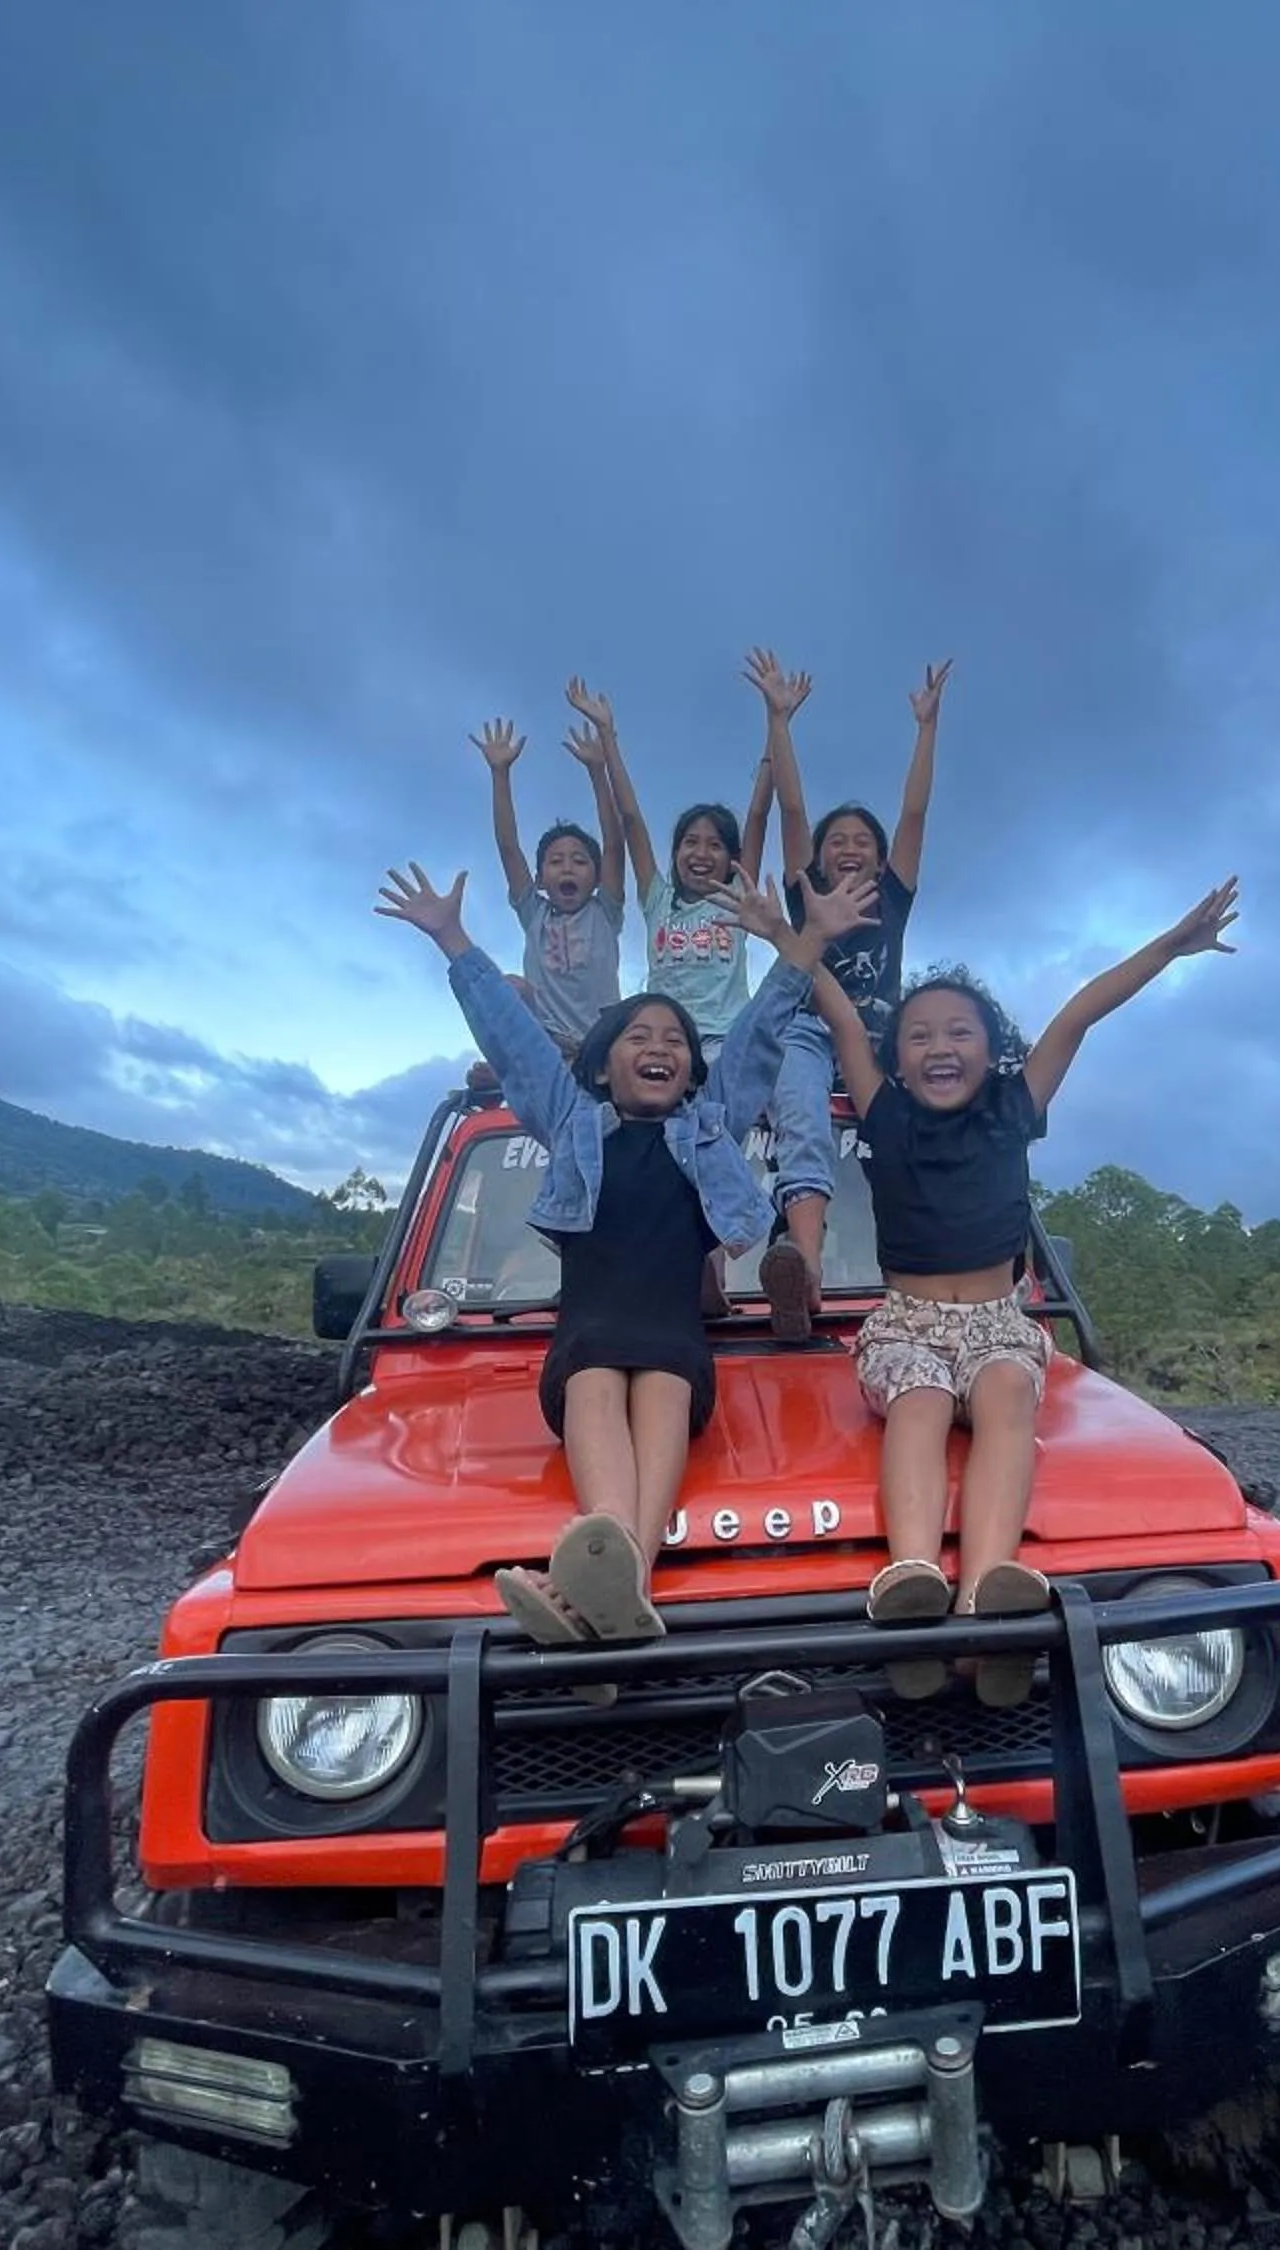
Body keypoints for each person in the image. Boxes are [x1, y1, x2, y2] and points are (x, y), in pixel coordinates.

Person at [374, 857, 880, 1677]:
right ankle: (617, 1569)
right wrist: (455, 942)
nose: (659, 1048)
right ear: (602, 1063)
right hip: (587, 1340)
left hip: (678, 1341)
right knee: (600, 1375)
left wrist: (809, 941)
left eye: (675, 1040)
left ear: (692, 1071)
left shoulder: (710, 1128)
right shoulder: (572, 1119)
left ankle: (604, 1584)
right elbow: (514, 1038)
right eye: (638, 1037)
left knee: (667, 1379)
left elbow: (755, 1037)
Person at [805, 878, 1242, 1704]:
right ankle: (909, 1586)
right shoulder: (883, 1114)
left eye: (959, 1031)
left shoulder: (1016, 1104)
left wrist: (1167, 946)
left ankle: (985, 1603)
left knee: (1009, 1397)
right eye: (919, 1034)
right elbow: (835, 1012)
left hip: (1000, 1323)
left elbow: (1079, 1012)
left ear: (991, 1045)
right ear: (893, 1057)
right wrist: (787, 938)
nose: (940, 1045)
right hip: (907, 1323)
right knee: (922, 1403)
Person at [747, 649, 952, 1341]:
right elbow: (794, 805)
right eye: (838, 841)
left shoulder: (894, 896)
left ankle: (927, 1273)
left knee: (905, 1136)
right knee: (801, 1119)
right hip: (808, 1031)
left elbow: (916, 810)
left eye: (863, 840)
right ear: (820, 856)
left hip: (878, 1044)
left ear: (880, 854)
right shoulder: (807, 894)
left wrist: (927, 727)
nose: (850, 848)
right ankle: (803, 1267)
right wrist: (779, 720)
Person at [564, 676, 774, 1065]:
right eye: (691, 842)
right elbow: (630, 820)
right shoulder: (658, 899)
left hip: (725, 1040)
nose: (701, 853)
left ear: (733, 859)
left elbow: (759, 814)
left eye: (715, 845)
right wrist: (608, 735)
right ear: (676, 852)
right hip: (667, 1042)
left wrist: (776, 723)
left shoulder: (735, 899)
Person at [476, 713, 626, 1056]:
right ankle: (499, 1066)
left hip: (601, 1043)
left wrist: (597, 772)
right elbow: (508, 846)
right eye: (556, 862)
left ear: (598, 876)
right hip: (547, 1042)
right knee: (510, 987)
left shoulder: (606, 911)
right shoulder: (534, 914)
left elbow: (615, 845)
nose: (567, 868)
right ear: (541, 879)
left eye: (580, 861)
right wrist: (500, 774)